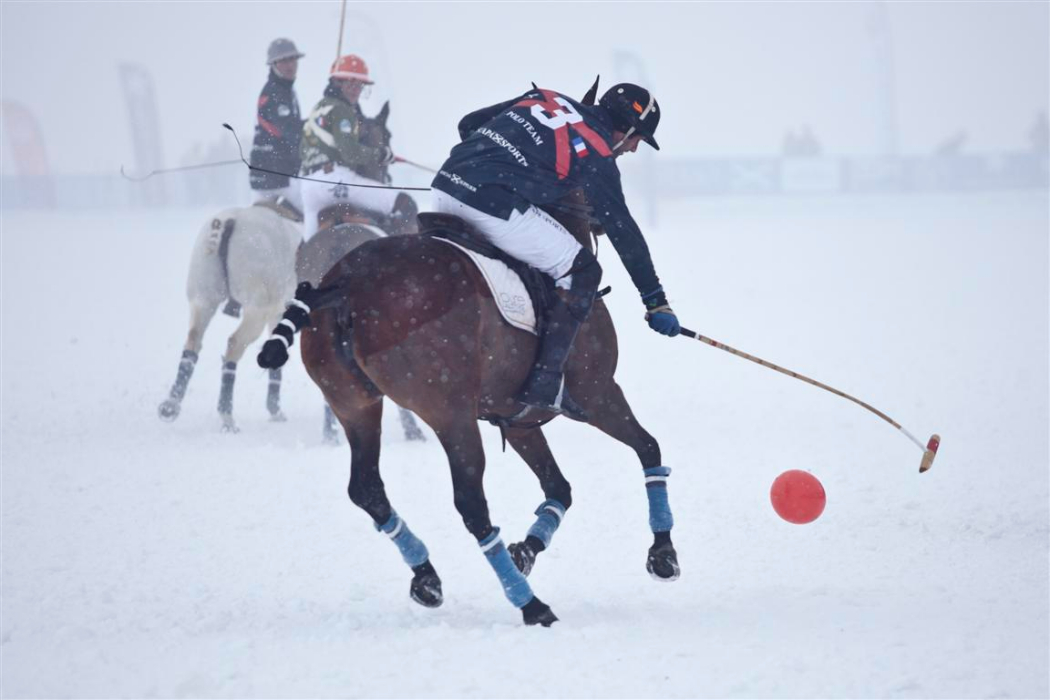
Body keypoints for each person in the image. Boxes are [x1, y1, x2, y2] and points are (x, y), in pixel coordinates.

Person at [430, 82, 680, 419]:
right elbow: (623, 231)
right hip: (489, 205)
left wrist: (501, 163)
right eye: (637, 140)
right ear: (627, 129)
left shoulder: (545, 97)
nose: (634, 149)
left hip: (444, 189)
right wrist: (654, 299)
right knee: (583, 270)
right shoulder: (596, 153)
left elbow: (468, 124)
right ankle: (545, 382)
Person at [299, 54, 417, 240]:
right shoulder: (342, 111)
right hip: (337, 182)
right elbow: (350, 152)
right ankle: (400, 254)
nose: (356, 90)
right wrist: (380, 154)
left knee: (307, 250)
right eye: (350, 84)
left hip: (309, 189)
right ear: (338, 83)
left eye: (359, 85)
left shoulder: (318, 108)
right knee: (405, 203)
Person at [248, 38, 305, 209]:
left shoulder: (286, 90)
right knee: (315, 212)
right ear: (273, 64)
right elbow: (291, 132)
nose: (291, 65)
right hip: (277, 177)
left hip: (265, 175)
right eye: (285, 61)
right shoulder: (275, 92)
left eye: (293, 60)